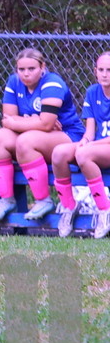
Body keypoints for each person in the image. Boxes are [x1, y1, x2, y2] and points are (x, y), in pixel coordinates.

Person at [0, 48, 84, 223]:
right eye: (21, 69)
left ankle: (43, 200)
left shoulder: (52, 83)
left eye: (31, 69)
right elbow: (7, 119)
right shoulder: (14, 82)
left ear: (42, 67)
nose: (26, 74)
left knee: (26, 141)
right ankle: (6, 199)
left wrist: (22, 122)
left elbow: (45, 124)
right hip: (35, 136)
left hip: (67, 135)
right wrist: (34, 121)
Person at [49, 52, 110, 238]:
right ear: (95, 71)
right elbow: (90, 132)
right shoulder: (92, 92)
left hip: (103, 147)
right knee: (59, 153)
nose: (105, 74)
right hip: (98, 147)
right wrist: (84, 142)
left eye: (109, 70)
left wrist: (88, 147)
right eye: (101, 70)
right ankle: (69, 205)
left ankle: (104, 209)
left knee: (84, 154)